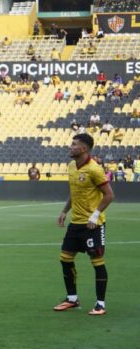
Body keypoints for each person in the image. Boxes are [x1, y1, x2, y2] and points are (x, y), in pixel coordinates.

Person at [54, 134, 113, 315]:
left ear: (84, 149)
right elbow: (75, 192)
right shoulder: (72, 166)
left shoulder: (94, 169)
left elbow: (109, 195)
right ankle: (72, 299)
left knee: (97, 262)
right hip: (76, 223)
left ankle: (100, 304)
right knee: (65, 258)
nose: (70, 147)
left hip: (92, 225)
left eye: (74, 144)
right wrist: (65, 211)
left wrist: (95, 216)